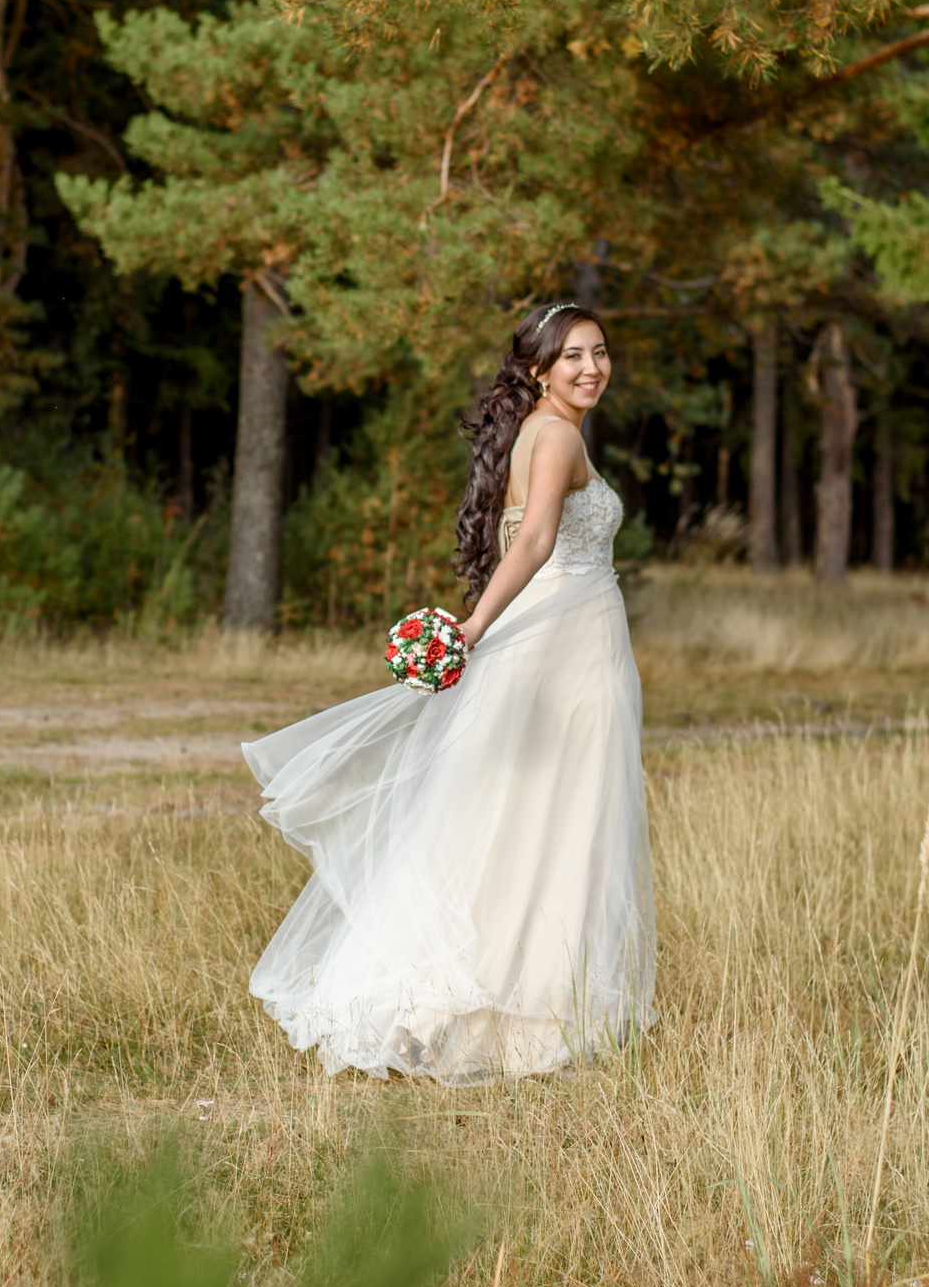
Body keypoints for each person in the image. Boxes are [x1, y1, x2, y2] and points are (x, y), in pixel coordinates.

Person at [241, 302, 655, 1083]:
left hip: (560, 641)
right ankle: (519, 1016)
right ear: (539, 368)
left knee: (517, 818)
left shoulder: (535, 428)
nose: (592, 368)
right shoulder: (559, 433)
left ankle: (483, 1006)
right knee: (559, 820)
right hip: (565, 650)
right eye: (573, 356)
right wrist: (471, 628)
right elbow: (532, 540)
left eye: (600, 354)